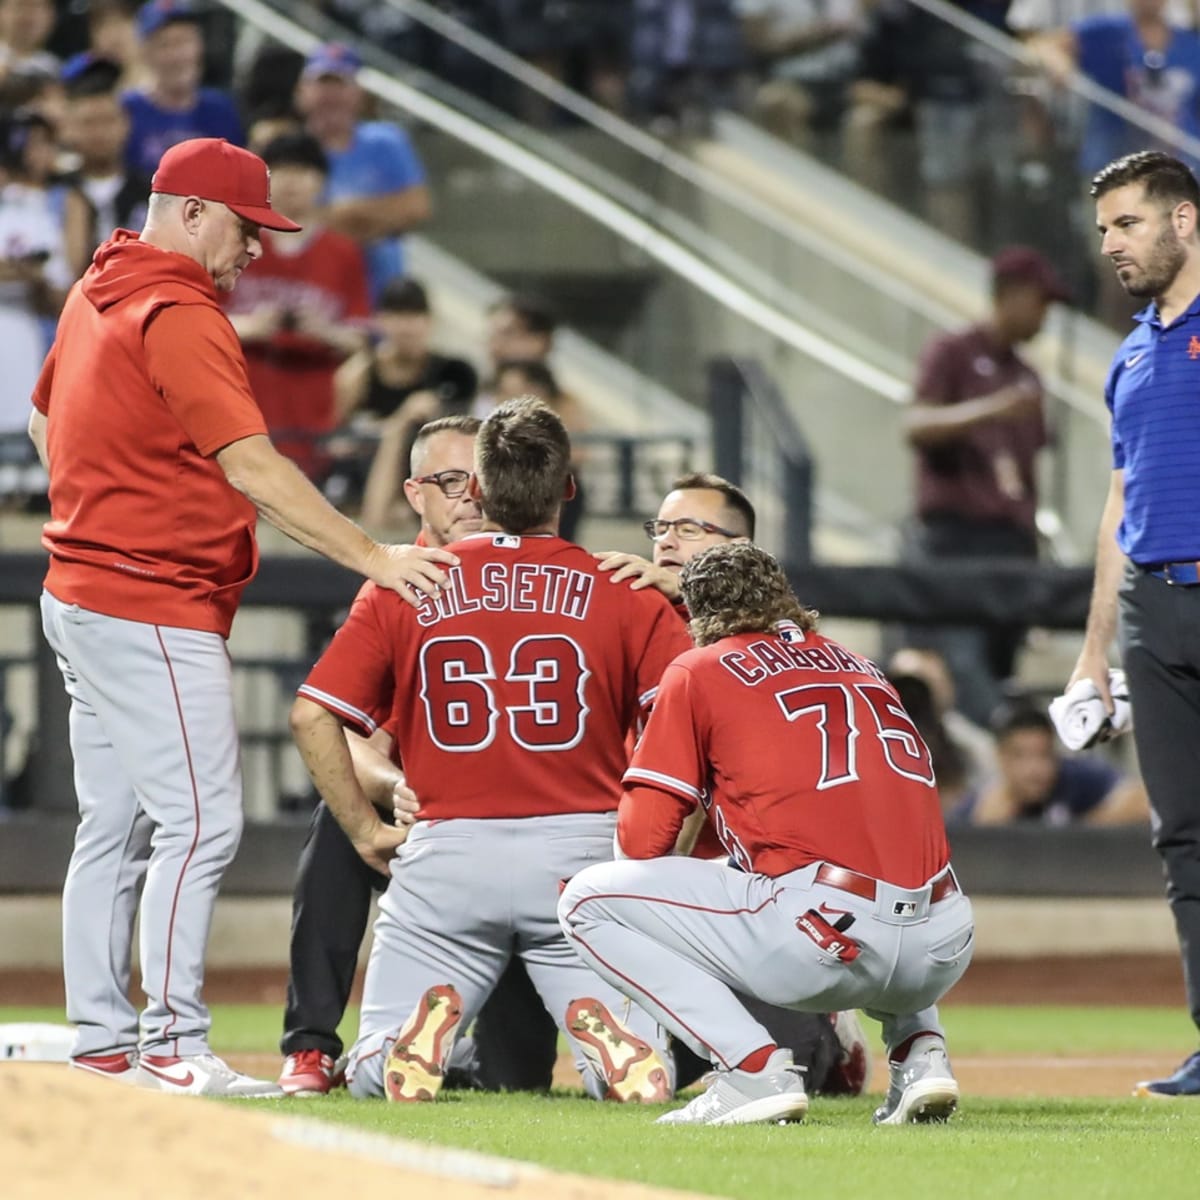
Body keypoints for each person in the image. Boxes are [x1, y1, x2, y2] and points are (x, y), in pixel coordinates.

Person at [27, 136, 455, 1098]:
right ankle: (172, 1045)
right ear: (187, 212)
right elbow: (254, 466)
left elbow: (42, 421)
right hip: (149, 600)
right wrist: (377, 557)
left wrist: (102, 498)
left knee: (118, 827)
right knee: (204, 822)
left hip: (81, 592)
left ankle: (103, 1042)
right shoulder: (177, 306)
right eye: (245, 227)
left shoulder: (100, 283)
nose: (257, 251)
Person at [289, 396, 693, 1103]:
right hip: (583, 858)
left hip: (449, 854)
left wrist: (367, 830)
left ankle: (389, 1052)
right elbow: (693, 729)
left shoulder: (408, 582)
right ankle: (614, 1047)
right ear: (568, 488)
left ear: (476, 489)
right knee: (635, 1065)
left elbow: (311, 716)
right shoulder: (625, 589)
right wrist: (656, 861)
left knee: (375, 1071)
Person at [559, 542, 974, 1126]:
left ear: (699, 616)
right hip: (944, 939)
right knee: (881, 861)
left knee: (588, 900)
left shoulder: (699, 668)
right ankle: (921, 1055)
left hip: (826, 937)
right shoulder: (862, 666)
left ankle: (751, 1071)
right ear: (786, 598)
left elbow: (642, 842)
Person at [280, 414, 566, 1096]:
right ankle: (312, 1045)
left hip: (523, 825)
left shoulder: (553, 576)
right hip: (462, 824)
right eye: (448, 481)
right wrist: (380, 798)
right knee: (335, 830)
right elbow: (340, 728)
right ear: (415, 495)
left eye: (480, 479)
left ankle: (446, 1055)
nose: (469, 496)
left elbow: (311, 715)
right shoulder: (394, 582)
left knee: (515, 1077)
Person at [595, 472, 873, 1098]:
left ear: (742, 550)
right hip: (663, 878)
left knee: (798, 1064)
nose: (666, 542)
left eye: (691, 529)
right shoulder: (625, 607)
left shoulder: (782, 649)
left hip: (759, 889)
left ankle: (829, 1025)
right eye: (660, 527)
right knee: (647, 1069)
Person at [1069, 148, 1200, 1097]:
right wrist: (1091, 655)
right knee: (1184, 836)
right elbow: (1119, 509)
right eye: (1106, 226)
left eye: (1128, 222)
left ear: (1184, 221)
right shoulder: (1131, 352)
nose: (1110, 243)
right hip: (1156, 613)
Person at [900, 245, 1069, 727]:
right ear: (1011, 295)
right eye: (1040, 301)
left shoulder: (1027, 375)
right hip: (956, 538)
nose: (1045, 315)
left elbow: (1026, 468)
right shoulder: (952, 352)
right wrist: (991, 409)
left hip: (1011, 542)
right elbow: (915, 424)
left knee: (1000, 662)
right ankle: (1001, 746)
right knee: (964, 662)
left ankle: (1006, 759)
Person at [222, 132, 370, 482]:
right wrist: (252, 326)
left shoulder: (343, 252)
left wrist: (322, 330)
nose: (292, 182)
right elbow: (199, 323)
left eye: (302, 172)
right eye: (281, 171)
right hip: (246, 396)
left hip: (315, 407)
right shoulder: (237, 242)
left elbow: (361, 339)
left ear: (320, 181)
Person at [295, 42, 430, 301]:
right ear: (303, 91)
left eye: (341, 85)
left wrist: (343, 214)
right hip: (315, 287)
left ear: (359, 93)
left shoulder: (386, 140)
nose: (332, 95)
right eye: (323, 84)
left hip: (380, 284)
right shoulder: (289, 148)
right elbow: (287, 223)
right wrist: (373, 221)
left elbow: (416, 207)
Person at [957, 706, 1148, 825]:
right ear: (1001, 758)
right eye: (1021, 756)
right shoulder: (981, 807)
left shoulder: (1075, 777)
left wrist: (1076, 836)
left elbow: (1141, 800)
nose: (1035, 769)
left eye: (1043, 755)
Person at [121, 1, 243, 178]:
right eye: (165, 45)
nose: (177, 56)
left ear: (200, 45)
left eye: (184, 42)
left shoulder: (221, 109)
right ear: (145, 52)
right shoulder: (128, 109)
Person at [57, 53, 151, 255]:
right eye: (88, 123)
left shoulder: (151, 193)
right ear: (69, 128)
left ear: (126, 124)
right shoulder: (56, 191)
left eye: (108, 121)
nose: (99, 133)